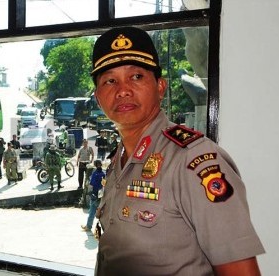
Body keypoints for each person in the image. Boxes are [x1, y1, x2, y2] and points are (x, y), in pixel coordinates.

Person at [91, 27, 264, 275]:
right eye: (110, 80)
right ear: (99, 98)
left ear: (160, 87)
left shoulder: (192, 159)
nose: (123, 90)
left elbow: (240, 271)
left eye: (137, 76)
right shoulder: (119, 160)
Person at [81, 159, 105, 232]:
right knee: (101, 212)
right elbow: (104, 184)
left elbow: (91, 184)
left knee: (92, 211)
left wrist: (90, 193)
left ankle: (88, 226)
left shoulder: (94, 173)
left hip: (95, 194)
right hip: (101, 194)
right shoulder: (104, 174)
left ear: (95, 165)